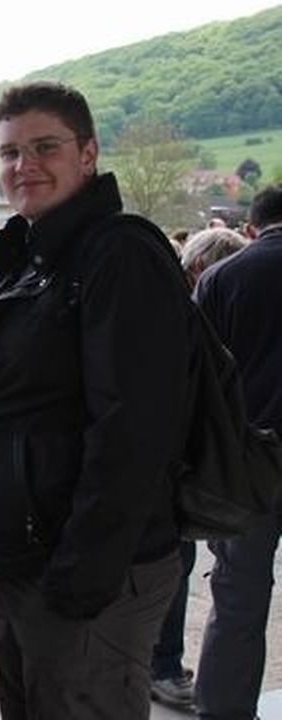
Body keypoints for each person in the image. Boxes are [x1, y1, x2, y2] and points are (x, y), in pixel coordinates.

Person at [0, 82, 192, 718]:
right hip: (29, 560)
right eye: (10, 152)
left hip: (89, 571)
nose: (23, 165)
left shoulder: (120, 254)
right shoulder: (37, 256)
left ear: (88, 153)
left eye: (44, 147)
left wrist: (81, 573)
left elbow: (134, 428)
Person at [147, 225, 249, 711]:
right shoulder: (176, 309)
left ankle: (161, 664)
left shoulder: (179, 305)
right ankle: (162, 666)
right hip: (171, 465)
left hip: (175, 461)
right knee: (172, 564)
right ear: (200, 267)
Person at [193, 185, 282, 720]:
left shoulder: (221, 278)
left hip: (245, 462)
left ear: (250, 228)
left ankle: (224, 710)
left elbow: (196, 379)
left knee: (238, 599)